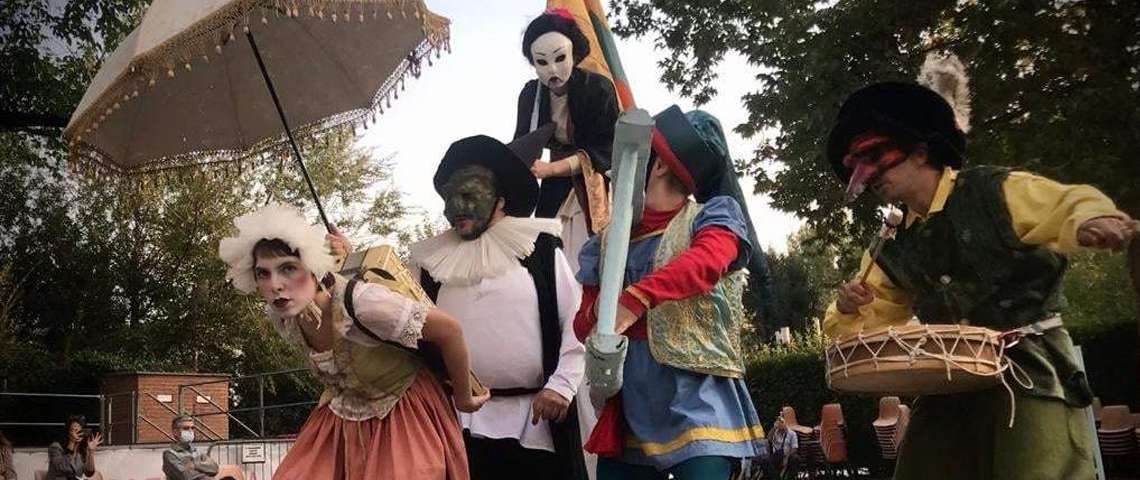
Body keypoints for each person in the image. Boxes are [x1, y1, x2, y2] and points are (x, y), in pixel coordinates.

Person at [821, 65, 1137, 479]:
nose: (867, 175)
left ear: (920, 151)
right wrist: (849, 308)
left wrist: (1093, 220)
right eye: (856, 164)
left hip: (1030, 372)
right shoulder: (891, 243)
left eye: (875, 155)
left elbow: (1067, 203)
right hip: (948, 379)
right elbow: (862, 323)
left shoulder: (992, 191)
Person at [218, 203, 487, 480]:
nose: (275, 285)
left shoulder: (362, 304)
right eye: (263, 273)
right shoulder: (283, 316)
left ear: (313, 268)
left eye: (288, 268)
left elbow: (449, 331)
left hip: (401, 409)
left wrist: (464, 398)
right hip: (342, 417)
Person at [574, 106, 766, 479]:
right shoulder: (605, 244)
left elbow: (707, 261)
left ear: (658, 164)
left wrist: (635, 299)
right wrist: (600, 313)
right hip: (630, 404)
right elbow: (582, 327)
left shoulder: (713, 215)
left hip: (697, 399)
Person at [409, 134, 587, 480]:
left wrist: (562, 385)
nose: (456, 207)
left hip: (535, 422)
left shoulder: (539, 249)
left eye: (468, 195)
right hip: (456, 423)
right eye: (450, 197)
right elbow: (397, 316)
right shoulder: (429, 265)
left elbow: (576, 320)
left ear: (500, 199)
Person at [514, 8, 620, 272]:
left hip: (594, 182)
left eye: (560, 58)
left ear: (575, 53)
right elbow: (521, 144)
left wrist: (552, 169)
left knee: (591, 255)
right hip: (553, 189)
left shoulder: (598, 88)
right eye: (542, 62)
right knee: (547, 252)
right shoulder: (531, 95)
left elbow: (608, 147)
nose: (552, 70)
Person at [162, 415, 219, 480]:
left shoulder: (197, 451)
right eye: (186, 428)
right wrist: (204, 469)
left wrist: (194, 464)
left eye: (192, 428)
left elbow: (214, 469)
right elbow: (186, 476)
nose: (190, 431)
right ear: (175, 432)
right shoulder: (169, 454)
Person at [46, 415, 101, 480]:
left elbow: (89, 473)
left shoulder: (81, 450)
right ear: (68, 433)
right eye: (73, 430)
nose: (76, 433)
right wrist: (72, 442)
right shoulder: (55, 447)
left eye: (79, 430)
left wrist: (90, 452)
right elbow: (64, 467)